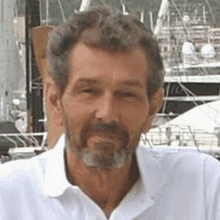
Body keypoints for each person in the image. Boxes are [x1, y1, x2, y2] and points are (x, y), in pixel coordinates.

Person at [0, 6, 220, 220]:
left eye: (126, 94)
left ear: (153, 107)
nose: (107, 114)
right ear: (55, 100)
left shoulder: (203, 187)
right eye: (89, 91)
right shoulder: (9, 197)